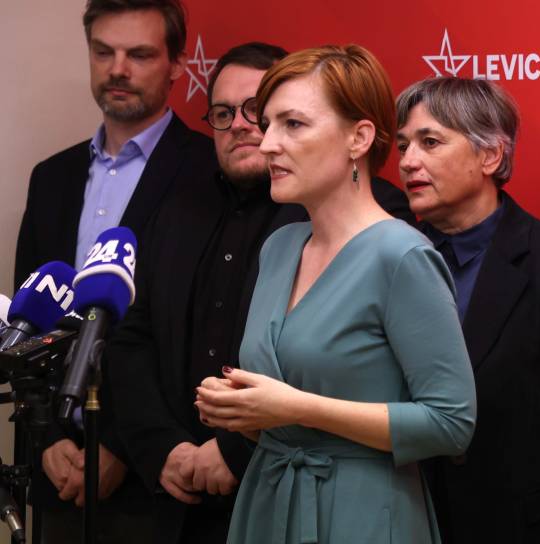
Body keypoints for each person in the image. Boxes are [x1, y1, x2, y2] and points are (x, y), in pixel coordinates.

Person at [104, 41, 414, 543]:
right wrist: (163, 448)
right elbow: (132, 337)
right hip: (173, 498)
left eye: (261, 113)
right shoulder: (175, 208)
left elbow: (361, 374)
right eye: (223, 114)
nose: (248, 129)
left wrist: (234, 449)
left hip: (308, 490)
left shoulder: (363, 224)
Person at [192, 45, 477, 544]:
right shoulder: (280, 247)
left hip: (362, 513)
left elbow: (451, 422)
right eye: (268, 124)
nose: (267, 144)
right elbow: (283, 413)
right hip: (267, 500)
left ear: (358, 138)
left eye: (293, 124)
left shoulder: (401, 256)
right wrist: (244, 413)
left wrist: (296, 407)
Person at [12, 0, 216, 541]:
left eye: (139, 54)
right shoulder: (51, 177)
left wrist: (125, 448)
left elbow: (205, 333)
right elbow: (28, 324)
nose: (118, 69)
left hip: (160, 479)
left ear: (176, 64)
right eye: (103, 52)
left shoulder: (210, 173)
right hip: (58, 475)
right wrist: (48, 437)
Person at [395, 76, 540, 543]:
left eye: (430, 142)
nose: (407, 161)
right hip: (406, 523)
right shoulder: (392, 259)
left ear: (490, 156)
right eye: (403, 146)